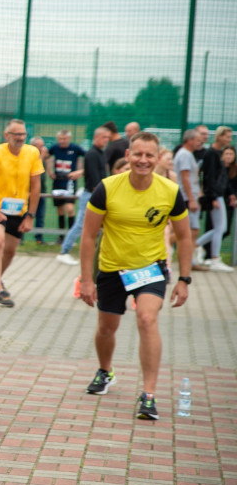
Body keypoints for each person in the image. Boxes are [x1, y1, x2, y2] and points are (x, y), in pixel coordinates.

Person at [78, 132, 193, 420]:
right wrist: (87, 280)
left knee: (147, 318)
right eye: (137, 154)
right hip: (112, 268)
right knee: (106, 328)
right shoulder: (106, 188)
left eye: (149, 155)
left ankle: (149, 394)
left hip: (150, 270)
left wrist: (184, 278)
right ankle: (105, 371)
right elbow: (89, 236)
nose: (143, 160)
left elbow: (184, 236)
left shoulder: (169, 191)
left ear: (157, 158)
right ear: (127, 156)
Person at [0, 119, 43, 307]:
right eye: (17, 134)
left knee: (10, 251)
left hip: (20, 210)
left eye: (23, 134)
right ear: (7, 135)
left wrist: (30, 216)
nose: (21, 138)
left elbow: (36, 186)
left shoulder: (33, 153)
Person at [58, 125, 109, 265]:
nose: (106, 140)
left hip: (96, 194)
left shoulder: (100, 153)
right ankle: (64, 251)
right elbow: (93, 177)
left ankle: (97, 253)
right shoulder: (92, 154)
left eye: (107, 138)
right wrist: (99, 195)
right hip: (91, 195)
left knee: (97, 227)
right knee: (80, 225)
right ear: (96, 137)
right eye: (104, 137)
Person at [194, 127, 233, 272]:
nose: (229, 140)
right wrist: (213, 197)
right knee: (219, 228)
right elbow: (208, 177)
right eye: (227, 137)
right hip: (215, 195)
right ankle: (214, 257)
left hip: (219, 194)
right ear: (219, 136)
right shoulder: (211, 154)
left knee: (220, 228)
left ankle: (196, 245)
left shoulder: (218, 153)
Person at [174, 129, 208, 272]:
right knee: (191, 230)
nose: (200, 142)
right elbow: (185, 178)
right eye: (197, 139)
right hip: (187, 198)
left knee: (192, 230)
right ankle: (189, 261)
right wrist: (192, 199)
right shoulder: (184, 155)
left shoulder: (187, 154)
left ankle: (190, 260)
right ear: (189, 140)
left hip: (190, 197)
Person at [45, 129, 85, 239]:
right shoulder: (54, 148)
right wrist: (49, 171)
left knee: (70, 208)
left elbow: (88, 157)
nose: (62, 141)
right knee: (60, 210)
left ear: (69, 138)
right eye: (60, 139)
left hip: (70, 183)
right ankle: (61, 237)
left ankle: (70, 237)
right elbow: (46, 157)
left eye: (64, 139)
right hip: (57, 182)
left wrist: (80, 171)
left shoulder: (75, 148)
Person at [29, 136, 49, 244]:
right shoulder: (29, 156)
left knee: (40, 216)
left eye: (42, 145)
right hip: (30, 192)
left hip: (42, 191)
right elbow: (36, 168)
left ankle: (39, 239)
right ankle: (20, 238)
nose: (43, 148)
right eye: (40, 146)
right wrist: (41, 156)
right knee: (25, 214)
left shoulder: (43, 157)